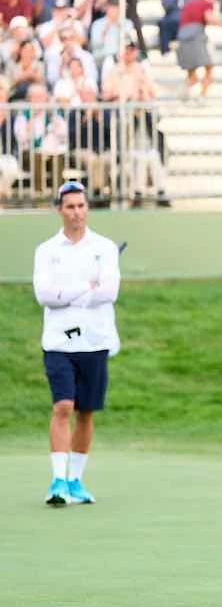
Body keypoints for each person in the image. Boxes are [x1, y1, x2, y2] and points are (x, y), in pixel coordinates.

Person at [32, 181, 121, 506]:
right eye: (70, 207)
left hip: (95, 340)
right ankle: (57, 481)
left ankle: (75, 481)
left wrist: (67, 292)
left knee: (85, 412)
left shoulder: (105, 247)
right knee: (63, 406)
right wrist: (85, 285)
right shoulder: (46, 251)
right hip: (58, 342)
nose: (77, 212)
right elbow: (46, 296)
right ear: (60, 210)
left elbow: (108, 292)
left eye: (81, 206)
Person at [177, 0, 222, 99]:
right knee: (209, 66)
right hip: (195, 37)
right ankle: (202, 96)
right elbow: (209, 19)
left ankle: (184, 93)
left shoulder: (190, 3)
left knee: (192, 75)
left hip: (183, 37)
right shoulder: (207, 3)